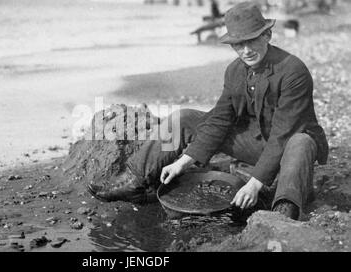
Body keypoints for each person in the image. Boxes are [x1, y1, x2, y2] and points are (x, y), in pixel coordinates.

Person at [87, 2, 328, 220]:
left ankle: (284, 210)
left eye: (252, 40)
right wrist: (184, 161)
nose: (246, 51)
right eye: (238, 44)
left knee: (301, 142)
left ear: (267, 35)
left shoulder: (293, 70)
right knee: (186, 118)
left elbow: (282, 135)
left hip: (289, 148)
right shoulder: (234, 71)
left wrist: (254, 184)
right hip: (254, 143)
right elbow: (220, 119)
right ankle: (135, 179)